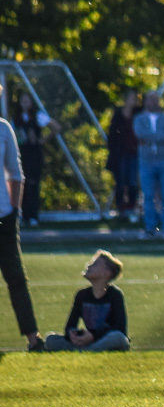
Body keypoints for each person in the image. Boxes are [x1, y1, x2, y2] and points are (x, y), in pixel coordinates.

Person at [0, 114, 43, 350]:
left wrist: (15, 211)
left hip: (4, 216)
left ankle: (33, 339)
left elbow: (15, 174)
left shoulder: (3, 128)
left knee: (16, 277)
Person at [44, 250, 129, 352]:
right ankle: (88, 350)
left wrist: (93, 336)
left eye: (95, 264)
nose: (89, 265)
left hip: (105, 339)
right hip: (89, 342)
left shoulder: (115, 295)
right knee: (50, 339)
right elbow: (70, 326)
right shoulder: (82, 295)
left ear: (106, 273)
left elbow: (120, 328)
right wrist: (73, 335)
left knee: (117, 337)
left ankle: (84, 351)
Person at [133, 90, 164, 238]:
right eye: (150, 100)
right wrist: (159, 138)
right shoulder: (139, 119)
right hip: (146, 161)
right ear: (145, 102)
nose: (153, 102)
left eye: (155, 100)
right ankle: (150, 227)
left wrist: (151, 138)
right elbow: (140, 133)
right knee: (148, 195)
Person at [11, 92, 58, 228]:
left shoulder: (38, 116)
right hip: (22, 155)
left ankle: (32, 216)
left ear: (32, 103)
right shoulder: (16, 118)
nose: (25, 103)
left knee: (33, 184)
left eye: (28, 101)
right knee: (22, 184)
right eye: (23, 101)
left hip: (35, 155)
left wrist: (42, 140)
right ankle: (23, 216)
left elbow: (56, 127)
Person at [105, 90, 142, 222]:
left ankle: (132, 208)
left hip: (134, 153)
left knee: (132, 182)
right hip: (121, 154)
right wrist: (113, 151)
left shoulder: (138, 113)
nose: (133, 101)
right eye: (131, 98)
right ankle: (120, 208)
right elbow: (112, 135)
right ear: (126, 99)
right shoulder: (118, 114)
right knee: (120, 181)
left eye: (135, 99)